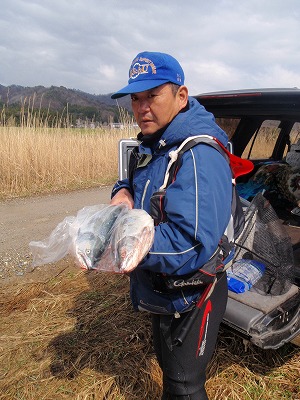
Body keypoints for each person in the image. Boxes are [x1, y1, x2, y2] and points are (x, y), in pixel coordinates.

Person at [110, 51, 232, 400]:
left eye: (152, 95)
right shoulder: (156, 144)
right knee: (168, 367)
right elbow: (133, 183)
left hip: (192, 292)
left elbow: (188, 243)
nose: (141, 107)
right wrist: (122, 194)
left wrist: (122, 246)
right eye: (135, 98)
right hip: (162, 287)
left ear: (181, 96)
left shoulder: (197, 155)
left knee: (184, 383)